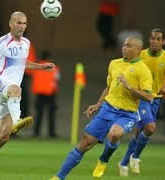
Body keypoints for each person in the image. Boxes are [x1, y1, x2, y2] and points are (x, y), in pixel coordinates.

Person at [49, 37, 153, 180]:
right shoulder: (114, 64)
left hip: (127, 114)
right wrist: (98, 105)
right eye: (123, 45)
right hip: (107, 109)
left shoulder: (143, 70)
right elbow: (109, 87)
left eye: (128, 46)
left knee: (115, 134)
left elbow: (148, 96)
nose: (124, 48)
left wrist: (129, 86)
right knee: (84, 143)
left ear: (137, 50)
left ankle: (103, 159)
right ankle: (58, 177)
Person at [0, 11, 55, 180]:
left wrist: (42, 67)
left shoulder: (26, 43)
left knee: (2, 137)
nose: (21, 26)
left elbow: (23, 63)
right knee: (17, 89)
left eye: (24, 23)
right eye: (18, 23)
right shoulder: (0, 43)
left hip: (8, 94)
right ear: (11, 24)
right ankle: (17, 121)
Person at [118, 28, 165, 177]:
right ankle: (136, 157)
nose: (154, 41)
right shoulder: (141, 55)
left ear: (163, 42)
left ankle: (124, 162)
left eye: (158, 39)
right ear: (149, 40)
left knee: (140, 132)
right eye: (152, 38)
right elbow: (127, 64)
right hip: (141, 98)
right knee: (150, 128)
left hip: (155, 100)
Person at [32, 50, 60, 138]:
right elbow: (57, 78)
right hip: (50, 93)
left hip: (39, 93)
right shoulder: (53, 67)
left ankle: (36, 132)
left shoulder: (37, 66)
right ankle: (51, 133)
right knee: (51, 114)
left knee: (39, 114)